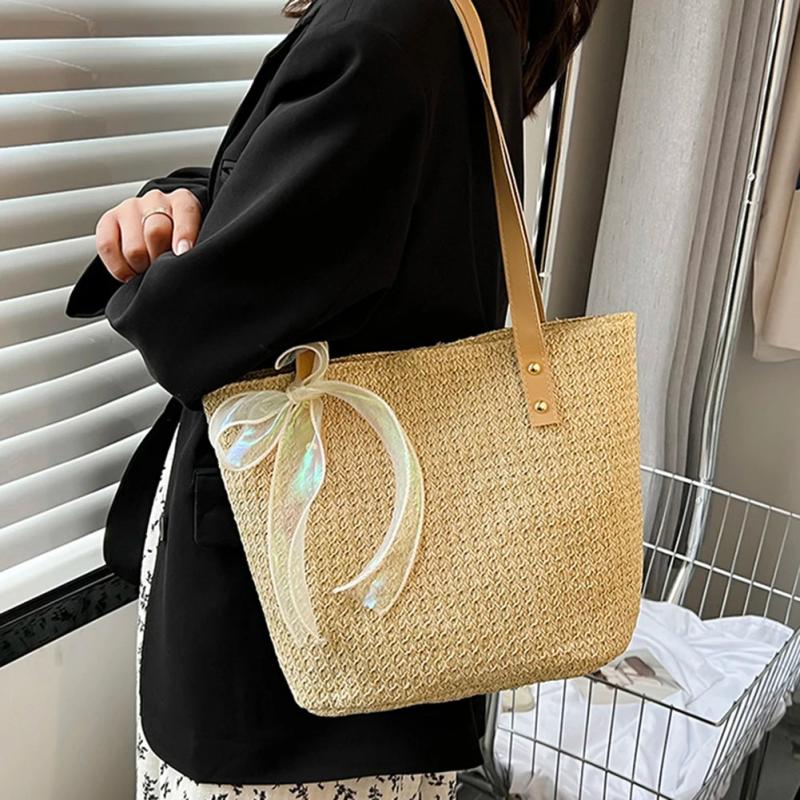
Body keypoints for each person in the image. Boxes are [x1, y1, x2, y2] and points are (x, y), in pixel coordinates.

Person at [64, 0, 598, 796]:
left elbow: (193, 327)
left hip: (293, 635)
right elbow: (322, 219)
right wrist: (184, 199)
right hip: (381, 615)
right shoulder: (468, 19)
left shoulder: (384, 30)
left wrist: (156, 261)